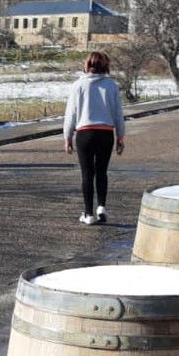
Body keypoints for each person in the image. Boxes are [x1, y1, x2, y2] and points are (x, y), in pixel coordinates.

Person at [63, 51, 126, 225]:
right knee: (102, 172)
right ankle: (102, 208)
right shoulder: (111, 85)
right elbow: (118, 114)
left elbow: (71, 114)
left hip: (85, 133)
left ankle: (88, 214)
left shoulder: (78, 85)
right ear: (105, 66)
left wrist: (67, 137)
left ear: (87, 65)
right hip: (106, 134)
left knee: (87, 173)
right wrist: (120, 136)